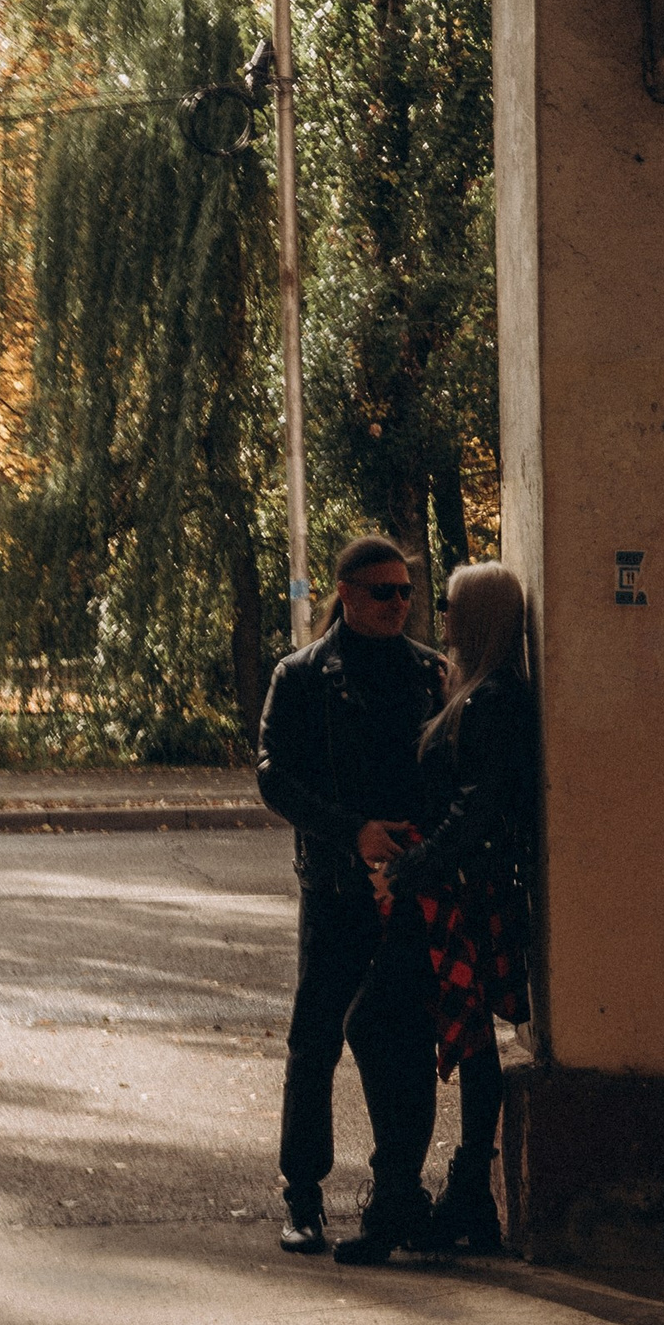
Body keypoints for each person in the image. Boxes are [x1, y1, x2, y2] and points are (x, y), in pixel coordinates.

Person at [334, 558, 539, 1265]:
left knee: (377, 1021)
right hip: (459, 886)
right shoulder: (478, 691)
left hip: (454, 892)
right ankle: (460, 1196)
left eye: (450, 604)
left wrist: (407, 869)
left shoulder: (492, 700)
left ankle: (409, 1197)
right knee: (468, 1039)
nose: (438, 614)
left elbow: (476, 812)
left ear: (478, 616)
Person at [253, 535, 445, 1254]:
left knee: (402, 1036)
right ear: (344, 593)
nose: (398, 603)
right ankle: (302, 1195)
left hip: (409, 885)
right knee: (315, 1038)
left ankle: (398, 1189)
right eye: (381, 592)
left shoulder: (430, 672)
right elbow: (274, 775)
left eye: (405, 591)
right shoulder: (302, 675)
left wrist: (418, 848)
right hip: (336, 885)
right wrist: (352, 832)